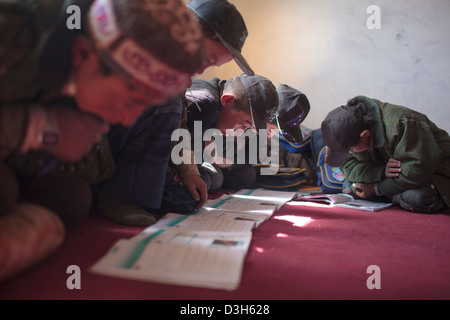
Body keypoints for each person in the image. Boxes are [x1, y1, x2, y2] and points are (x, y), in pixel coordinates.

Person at [0, 0, 206, 281]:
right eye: (131, 101)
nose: (126, 119)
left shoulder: (94, 71)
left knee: (72, 200)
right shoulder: (11, 31)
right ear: (82, 54)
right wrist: (40, 129)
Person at [97, 0, 255, 226]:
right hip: (84, 142)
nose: (201, 70)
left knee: (187, 197)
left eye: (211, 65)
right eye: (207, 58)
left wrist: (189, 171)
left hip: (107, 150)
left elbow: (176, 126)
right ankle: (121, 196)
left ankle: (107, 188)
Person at [158, 73, 280, 214]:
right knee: (199, 190)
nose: (241, 132)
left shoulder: (219, 109)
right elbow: (178, 153)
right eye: (244, 124)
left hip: (182, 157)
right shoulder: (206, 104)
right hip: (157, 160)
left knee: (223, 178)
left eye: (249, 128)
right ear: (227, 101)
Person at [321, 95, 450, 213]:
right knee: (349, 186)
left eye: (350, 150)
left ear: (365, 135)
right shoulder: (348, 129)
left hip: (436, 174)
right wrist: (381, 171)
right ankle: (392, 196)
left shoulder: (401, 124)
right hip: (393, 175)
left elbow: (416, 172)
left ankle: (391, 196)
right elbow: (348, 166)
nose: (350, 153)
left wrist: (375, 189)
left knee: (415, 197)